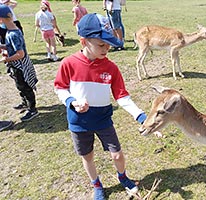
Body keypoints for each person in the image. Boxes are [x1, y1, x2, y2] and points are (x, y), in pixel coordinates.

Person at [54, 13, 145, 200]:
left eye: (109, 44)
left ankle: (123, 177)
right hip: (79, 121)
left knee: (117, 154)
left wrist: (141, 116)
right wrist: (72, 102)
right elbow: (60, 87)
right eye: (101, 45)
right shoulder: (69, 64)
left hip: (103, 119)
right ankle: (96, 184)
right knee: (87, 156)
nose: (107, 49)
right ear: (84, 42)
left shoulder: (111, 68)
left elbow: (122, 96)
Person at [0, 5, 39, 122]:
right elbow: (12, 46)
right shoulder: (12, 30)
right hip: (16, 65)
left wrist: (7, 59)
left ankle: (32, 109)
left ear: (1, 19)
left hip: (20, 66)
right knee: (20, 86)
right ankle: (25, 103)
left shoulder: (13, 34)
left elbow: (20, 54)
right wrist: (2, 46)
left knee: (25, 87)